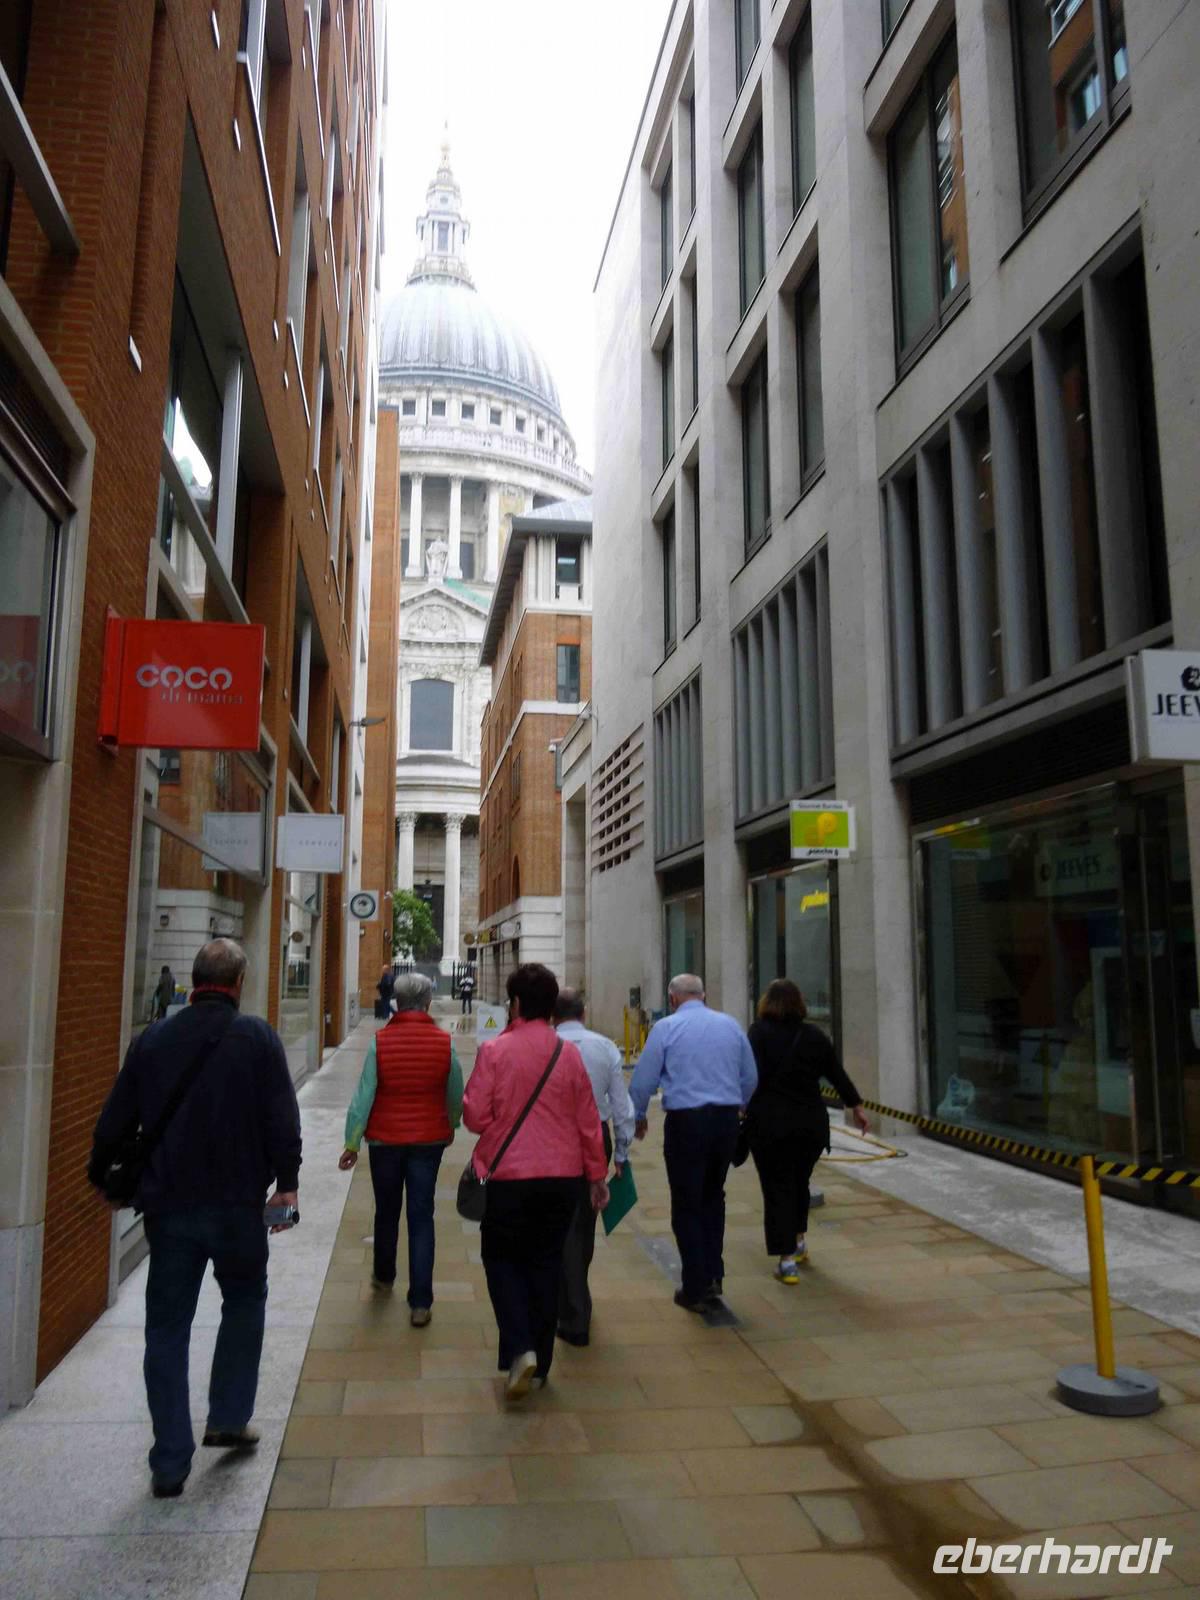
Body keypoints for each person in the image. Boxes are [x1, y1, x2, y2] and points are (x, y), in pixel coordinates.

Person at [88, 939, 301, 1499]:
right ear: (238, 982)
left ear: (194, 978)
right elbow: (282, 1118)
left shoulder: (153, 1039)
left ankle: (169, 1462)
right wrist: (288, 1183)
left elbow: (113, 1122)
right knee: (245, 1301)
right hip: (238, 1207)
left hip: (170, 1209)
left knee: (166, 1327)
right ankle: (228, 1416)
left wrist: (102, 1177)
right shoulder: (257, 1037)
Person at [463, 963, 608, 1400]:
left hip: (508, 1178)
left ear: (516, 1004)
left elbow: (474, 1117)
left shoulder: (495, 1051)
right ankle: (539, 1367)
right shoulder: (569, 1054)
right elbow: (588, 1122)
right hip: (562, 1179)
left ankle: (519, 1347)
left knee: (501, 1260)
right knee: (546, 1264)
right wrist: (597, 1176)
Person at [339, 972, 463, 1325]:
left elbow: (364, 1094)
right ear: (428, 1003)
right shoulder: (444, 1043)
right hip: (428, 1140)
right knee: (421, 1217)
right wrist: (451, 1124)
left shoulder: (380, 1042)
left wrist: (352, 1141)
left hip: (385, 1140)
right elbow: (455, 1091)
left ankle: (383, 1275)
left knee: (386, 1210)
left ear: (396, 1002)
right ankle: (420, 1301)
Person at [630, 974, 757, 1312]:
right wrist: (739, 1106)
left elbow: (643, 1080)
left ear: (672, 999)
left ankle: (695, 1286)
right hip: (725, 1121)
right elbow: (750, 1076)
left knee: (687, 1202)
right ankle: (714, 1274)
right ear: (704, 995)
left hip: (686, 1122)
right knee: (713, 1197)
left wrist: (638, 1116)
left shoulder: (666, 1028)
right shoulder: (730, 1025)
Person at [746, 979, 869, 1282]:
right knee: (800, 1183)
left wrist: (738, 1106)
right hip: (809, 1123)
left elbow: (747, 1076)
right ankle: (799, 1241)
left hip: (770, 1124)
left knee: (777, 1188)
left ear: (767, 1002)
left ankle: (786, 1259)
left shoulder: (758, 1033)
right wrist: (856, 1106)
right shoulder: (814, 1035)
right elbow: (836, 1074)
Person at [553, 987, 635, 1347]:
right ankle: (575, 1298)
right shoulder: (604, 1047)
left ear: (553, 1015)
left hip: (552, 1139)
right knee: (582, 1225)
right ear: (583, 1013)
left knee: (557, 1224)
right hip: (594, 1138)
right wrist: (621, 1153)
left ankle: (572, 1308)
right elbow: (621, 1107)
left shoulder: (546, 1045)